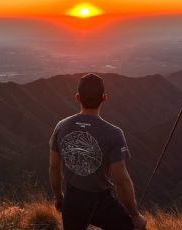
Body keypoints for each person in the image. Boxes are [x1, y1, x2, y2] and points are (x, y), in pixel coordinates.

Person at [48, 73, 147, 230]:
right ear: (104, 98)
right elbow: (121, 180)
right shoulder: (114, 133)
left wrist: (59, 197)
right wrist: (135, 215)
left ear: (78, 97)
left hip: (72, 199)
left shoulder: (61, 126)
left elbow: (54, 167)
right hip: (101, 201)